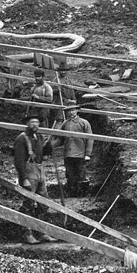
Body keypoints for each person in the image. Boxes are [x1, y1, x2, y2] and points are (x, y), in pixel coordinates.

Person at [13, 114, 57, 244]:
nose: (35, 125)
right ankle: (27, 234)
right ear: (27, 124)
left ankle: (42, 232)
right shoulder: (22, 138)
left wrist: (49, 145)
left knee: (44, 203)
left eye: (37, 122)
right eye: (32, 122)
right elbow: (18, 160)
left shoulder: (39, 137)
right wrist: (24, 178)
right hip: (29, 172)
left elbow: (44, 154)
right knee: (29, 204)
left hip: (39, 170)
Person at [53, 102, 93, 196]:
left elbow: (90, 139)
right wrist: (51, 145)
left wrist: (88, 154)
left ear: (77, 111)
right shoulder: (65, 124)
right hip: (68, 154)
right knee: (70, 174)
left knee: (81, 173)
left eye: (73, 110)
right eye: (69, 111)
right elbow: (60, 139)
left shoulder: (84, 123)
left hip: (80, 154)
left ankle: (82, 194)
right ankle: (72, 193)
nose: (71, 113)